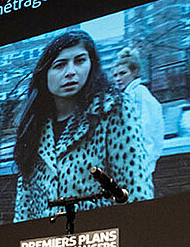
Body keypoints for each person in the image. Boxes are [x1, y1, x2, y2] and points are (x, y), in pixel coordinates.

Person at [12, 29, 152, 223]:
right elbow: (24, 206)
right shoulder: (34, 127)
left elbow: (135, 189)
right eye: (60, 65)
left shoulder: (113, 110)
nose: (71, 72)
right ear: (45, 74)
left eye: (80, 61)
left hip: (101, 243)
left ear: (91, 65)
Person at [111, 47, 166, 179]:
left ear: (134, 72)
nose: (118, 78)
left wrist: (143, 166)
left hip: (140, 166)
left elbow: (146, 130)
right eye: (115, 75)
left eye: (122, 73)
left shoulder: (139, 94)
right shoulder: (128, 94)